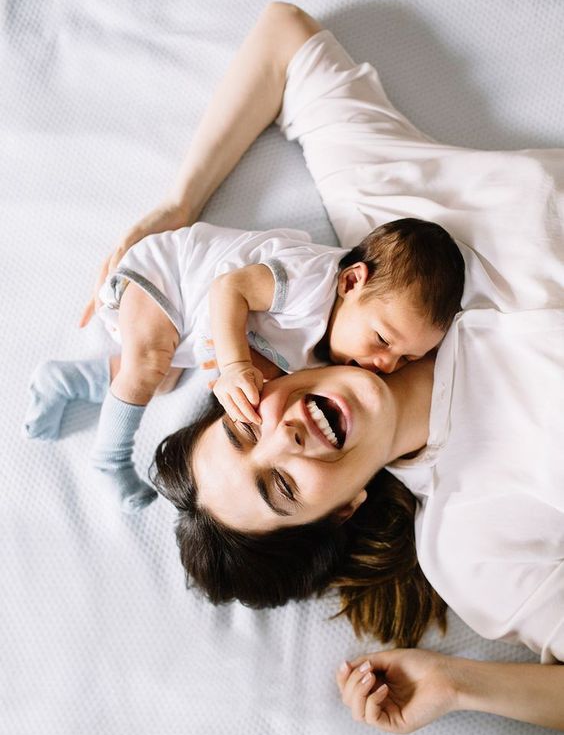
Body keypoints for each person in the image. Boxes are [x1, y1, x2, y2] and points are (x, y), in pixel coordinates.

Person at [80, 2, 564, 732]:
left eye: (247, 428)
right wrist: (461, 685)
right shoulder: (472, 543)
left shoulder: (376, 251)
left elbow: (280, 38)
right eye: (280, 485)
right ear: (341, 510)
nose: (287, 437)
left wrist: (179, 207)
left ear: (255, 383)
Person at [23, 214, 463, 512]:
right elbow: (227, 291)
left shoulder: (343, 337)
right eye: (383, 339)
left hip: (192, 326)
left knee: (162, 382)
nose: (386, 363)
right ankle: (109, 458)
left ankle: (65, 381)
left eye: (406, 357)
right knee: (148, 364)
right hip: (168, 279)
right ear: (351, 281)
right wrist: (232, 366)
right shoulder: (308, 282)